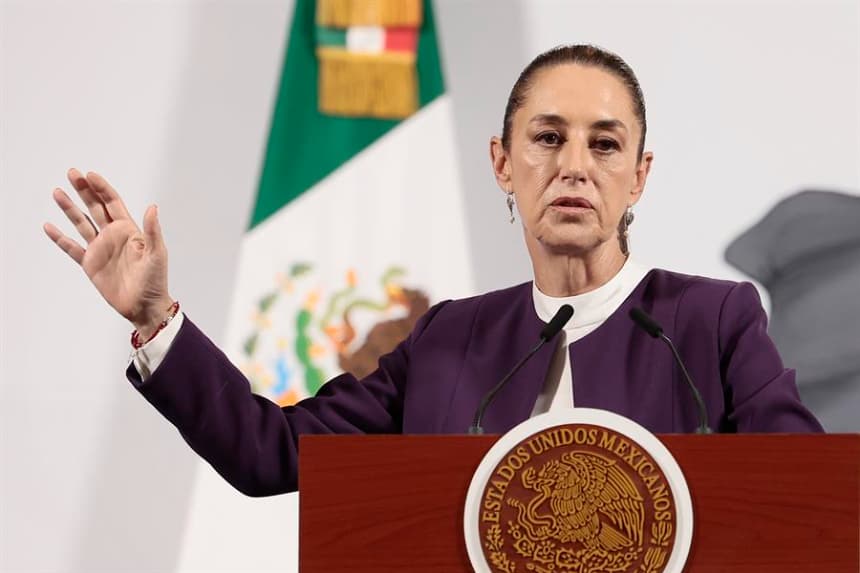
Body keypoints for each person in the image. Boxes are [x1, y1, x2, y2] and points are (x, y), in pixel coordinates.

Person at [44, 45, 822, 497]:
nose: (575, 166)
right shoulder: (452, 338)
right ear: (502, 163)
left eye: (606, 144)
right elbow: (271, 453)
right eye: (547, 138)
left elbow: (800, 498)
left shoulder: (711, 321)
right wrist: (155, 318)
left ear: (640, 175)